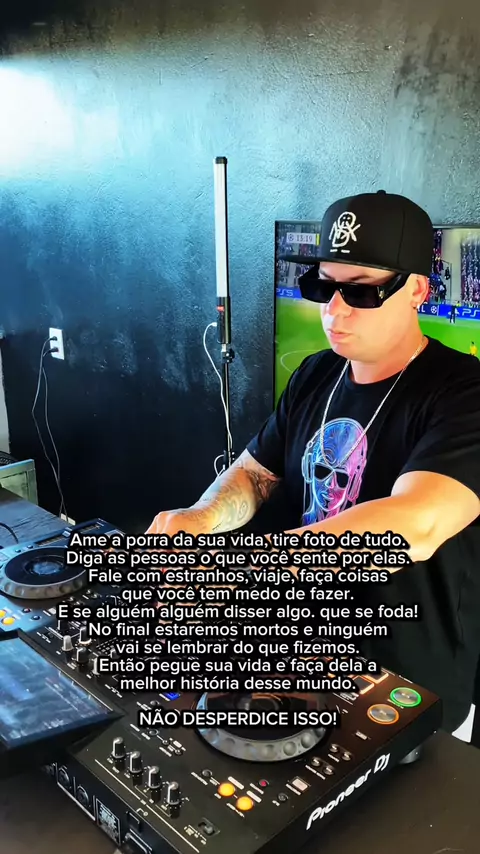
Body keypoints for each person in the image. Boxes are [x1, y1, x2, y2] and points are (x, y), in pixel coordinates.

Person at [147, 191, 480, 736]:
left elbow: (415, 524)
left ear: (418, 289)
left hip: (407, 687)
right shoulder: (315, 373)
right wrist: (200, 519)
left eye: (362, 291)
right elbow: (255, 475)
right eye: (324, 286)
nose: (334, 310)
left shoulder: (464, 393)